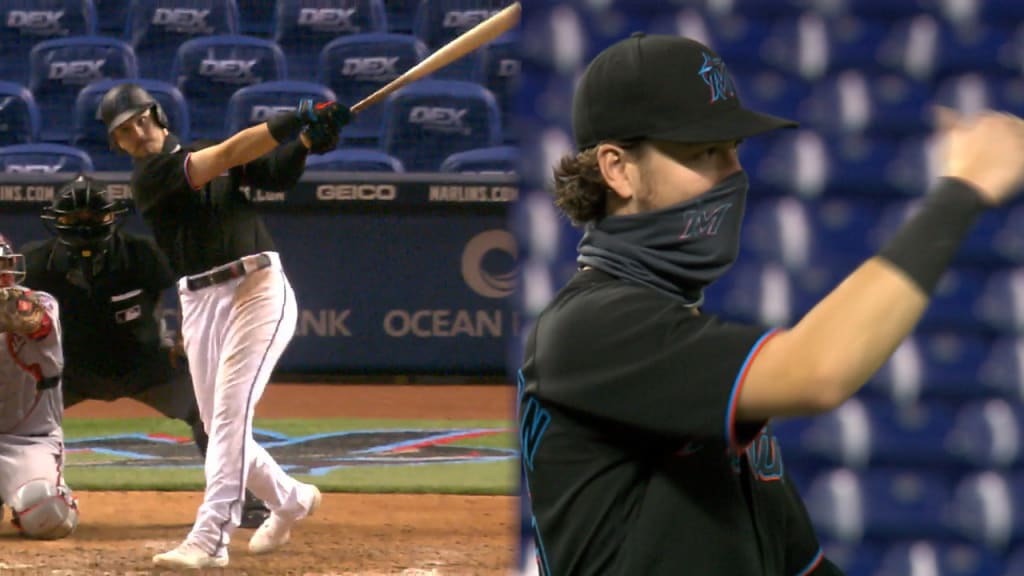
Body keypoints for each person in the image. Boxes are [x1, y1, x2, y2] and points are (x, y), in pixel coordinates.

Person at [517, 33, 1024, 575]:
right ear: (617, 169)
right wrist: (961, 192)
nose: (732, 173)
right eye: (703, 152)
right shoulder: (587, 328)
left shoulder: (693, 356)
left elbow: (803, 569)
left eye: (733, 148)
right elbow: (818, 371)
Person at [98, 82, 350, 569]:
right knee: (217, 427)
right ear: (120, 144)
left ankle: (211, 537)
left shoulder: (199, 153)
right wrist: (293, 121)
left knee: (231, 418)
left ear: (158, 114)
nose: (136, 131)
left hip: (257, 286)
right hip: (199, 301)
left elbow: (273, 174)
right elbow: (235, 151)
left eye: (139, 119)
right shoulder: (151, 176)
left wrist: (304, 145)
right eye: (123, 131)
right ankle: (292, 499)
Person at [21, 175, 271, 530]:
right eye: (75, 219)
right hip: (66, 369)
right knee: (9, 418)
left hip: (144, 364)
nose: (85, 225)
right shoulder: (34, 263)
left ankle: (245, 497)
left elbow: (193, 290)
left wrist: (188, 338)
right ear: (57, 220)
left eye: (93, 217)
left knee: (212, 412)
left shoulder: (142, 254)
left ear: (111, 217)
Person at [0, 234, 79, 540]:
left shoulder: (39, 303)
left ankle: (51, 498)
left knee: (47, 516)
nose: (3, 273)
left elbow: (27, 319)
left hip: (28, 442)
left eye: (4, 264)